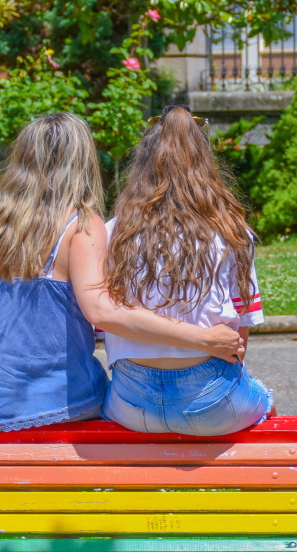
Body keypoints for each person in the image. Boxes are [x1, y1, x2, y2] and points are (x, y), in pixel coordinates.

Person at [0, 112, 243, 431]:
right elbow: (102, 312)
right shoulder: (80, 226)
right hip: (59, 410)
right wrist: (202, 338)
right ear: (82, 162)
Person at [98, 105, 273, 437]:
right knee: (266, 401)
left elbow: (99, 328)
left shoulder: (111, 233)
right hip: (213, 403)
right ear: (205, 165)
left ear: (143, 166)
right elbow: (239, 341)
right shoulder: (232, 232)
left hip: (129, 405)